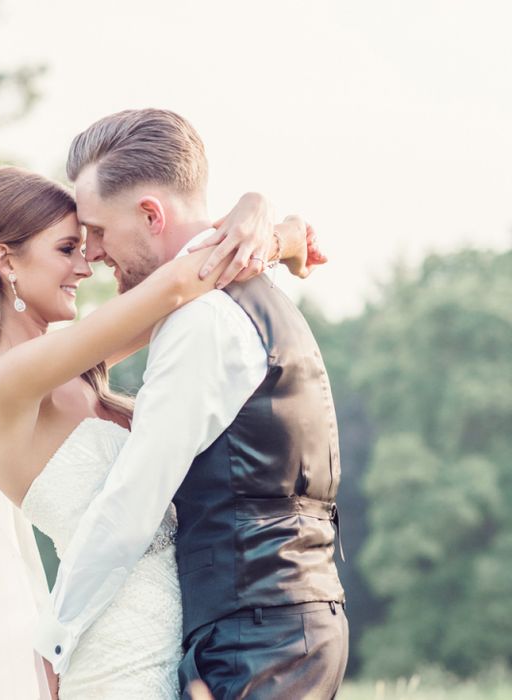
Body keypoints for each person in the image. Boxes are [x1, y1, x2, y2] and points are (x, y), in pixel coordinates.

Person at [0, 163, 319, 699]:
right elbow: (175, 285)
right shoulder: (2, 384)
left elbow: (194, 282)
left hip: (186, 638)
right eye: (67, 249)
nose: (86, 266)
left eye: (85, 246)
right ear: (6, 260)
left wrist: (263, 219)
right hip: (117, 653)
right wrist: (272, 229)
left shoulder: (70, 365)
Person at [33, 109, 348, 700]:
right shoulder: (248, 293)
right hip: (285, 626)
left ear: (151, 214)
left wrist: (55, 639)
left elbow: (135, 497)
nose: (94, 253)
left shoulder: (201, 322)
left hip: (255, 638)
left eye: (97, 230)